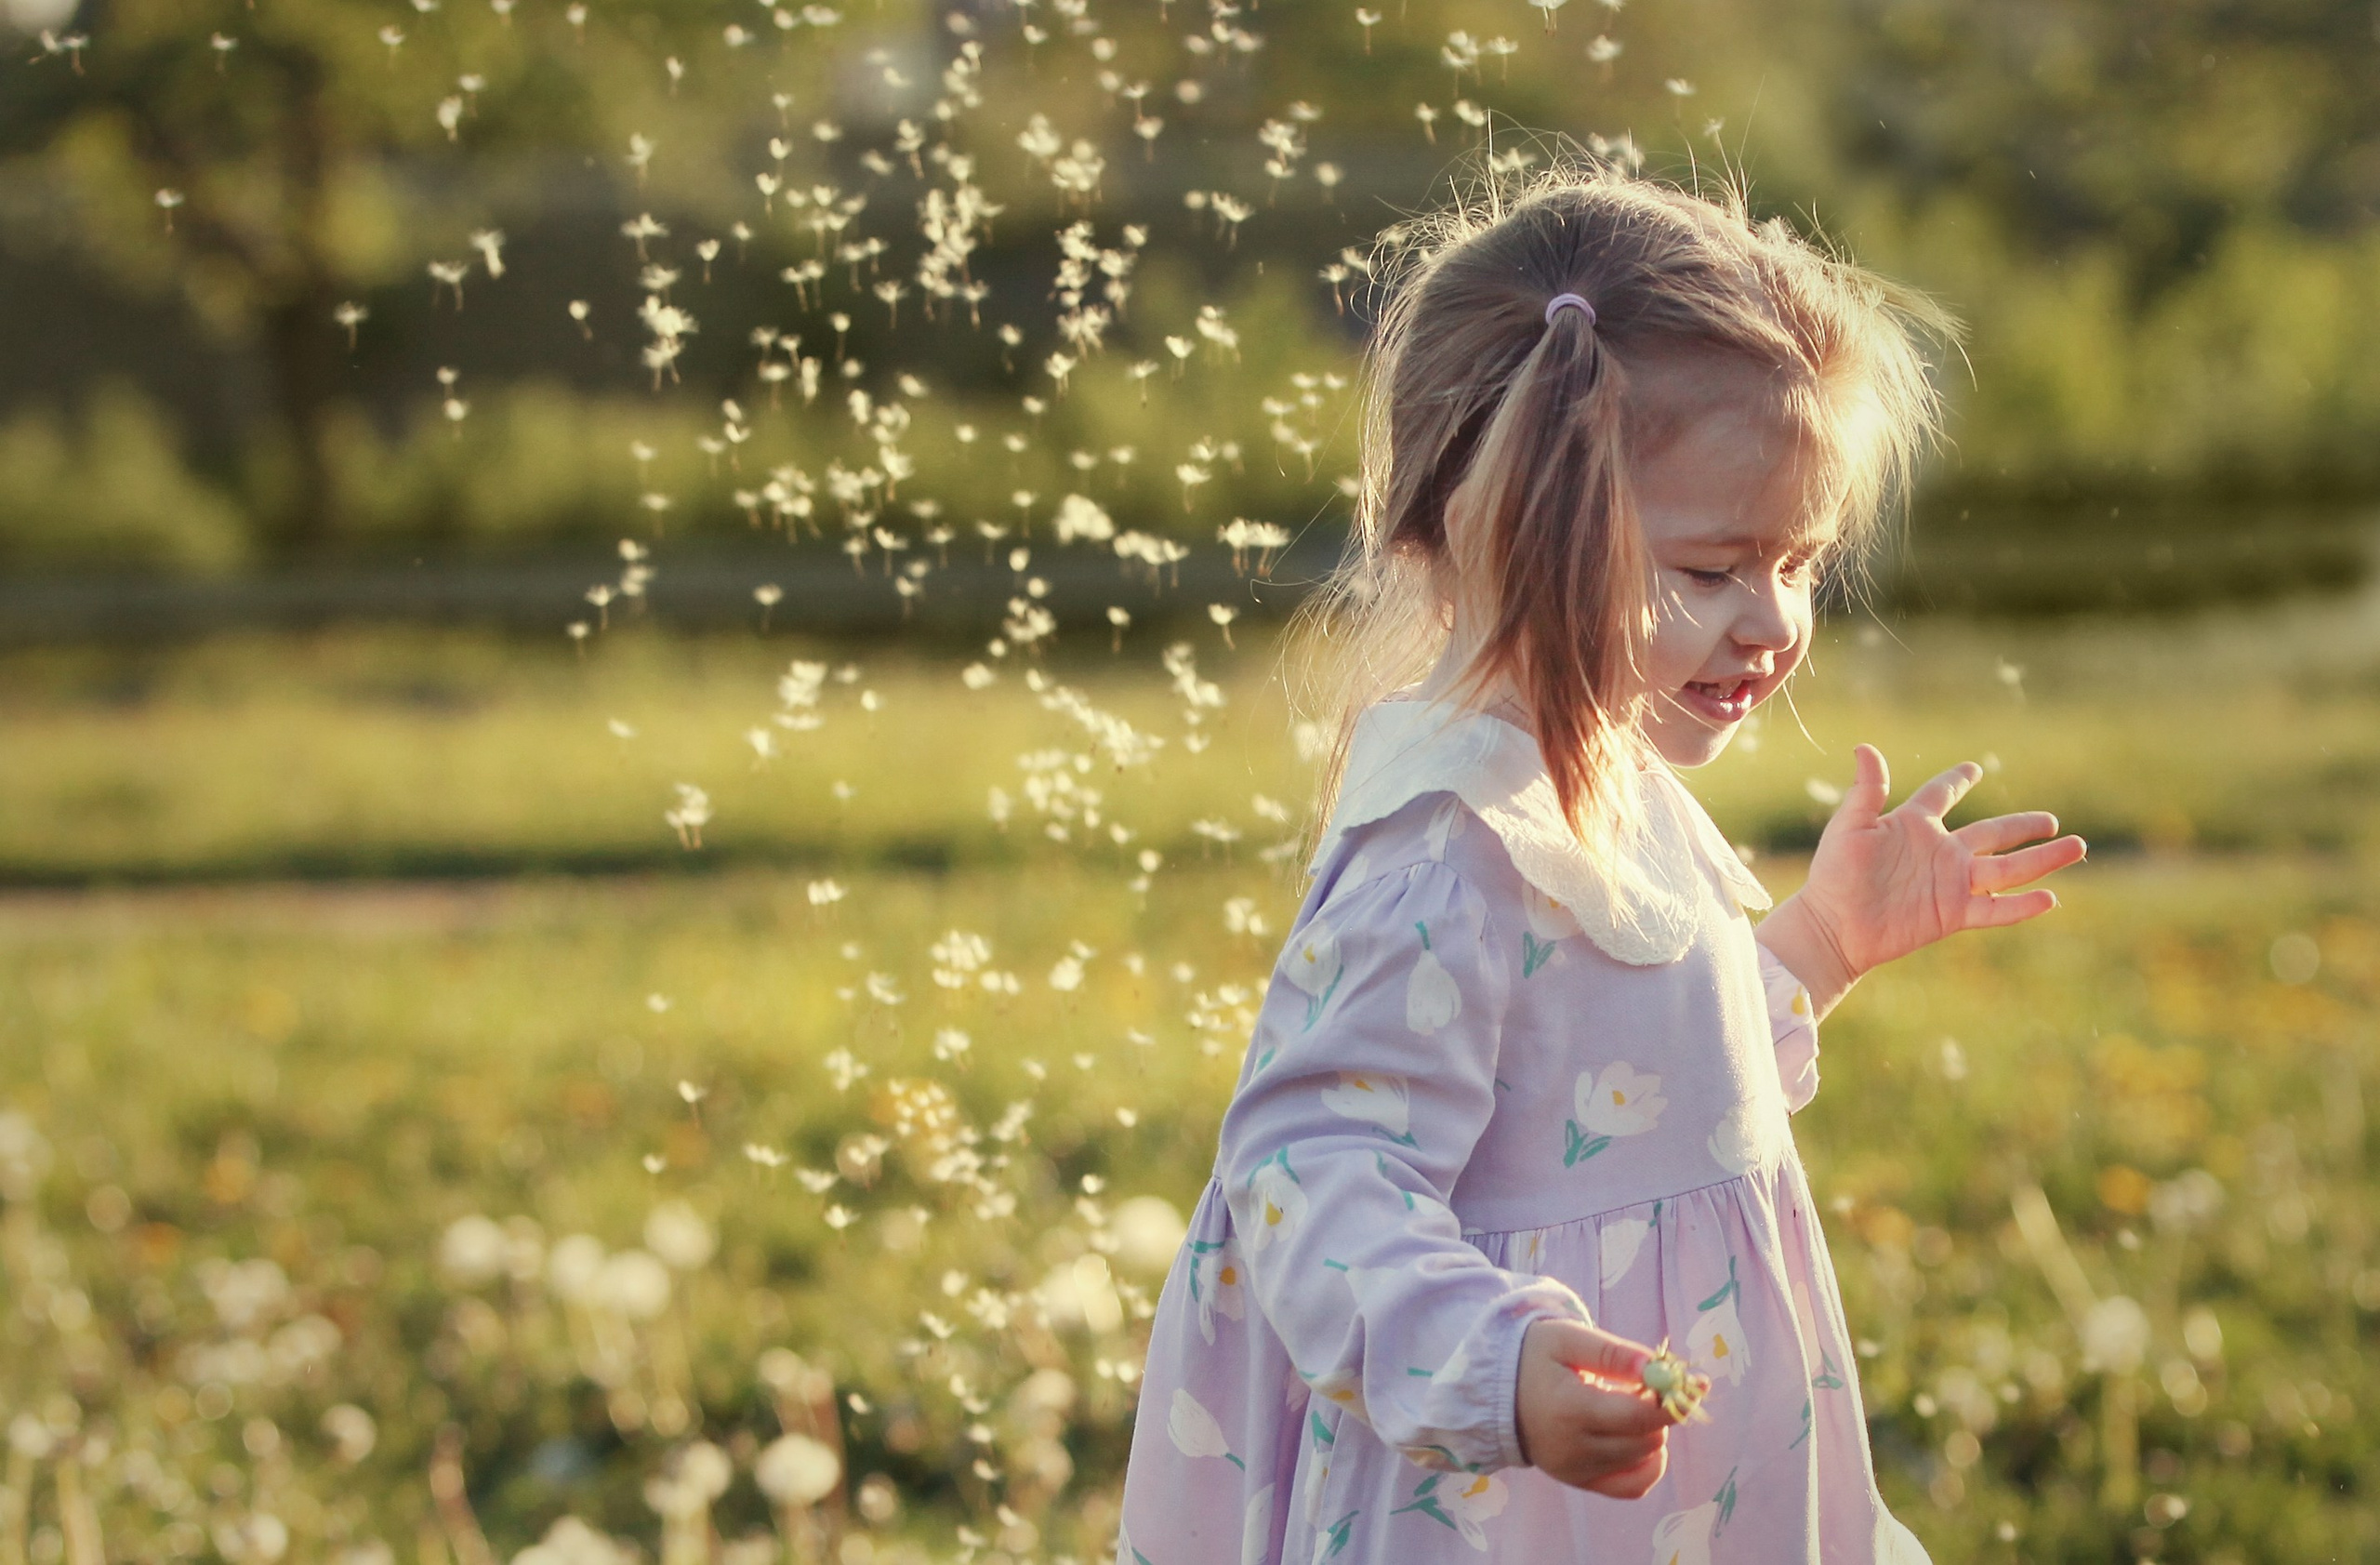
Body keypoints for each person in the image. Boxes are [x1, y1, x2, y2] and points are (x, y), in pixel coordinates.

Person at [1112, 159, 2085, 1564]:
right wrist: (1493, 1368)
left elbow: (1619, 1093)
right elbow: (1310, 1168)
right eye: (1711, 571)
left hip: (1689, 1474)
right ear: (1508, 526)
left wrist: (1816, 945)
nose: (1772, 623)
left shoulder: (1602, 773)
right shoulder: (1455, 844)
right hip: (1508, 1491)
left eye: (1800, 563)